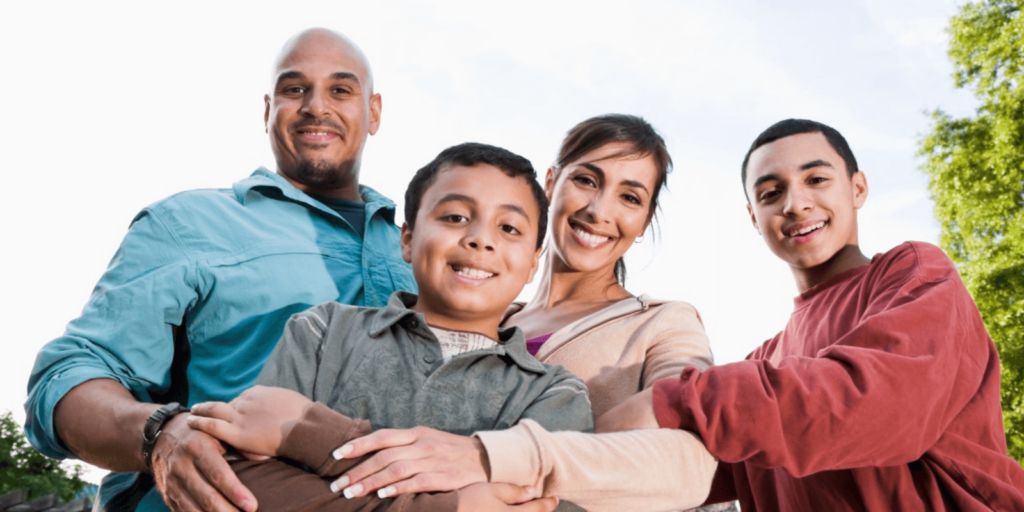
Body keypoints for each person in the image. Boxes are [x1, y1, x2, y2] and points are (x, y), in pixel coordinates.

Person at [24, 28, 414, 512]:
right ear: (267, 110)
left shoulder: (429, 253)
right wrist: (161, 434)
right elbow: (66, 377)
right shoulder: (187, 223)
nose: (317, 106)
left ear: (373, 112)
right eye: (294, 89)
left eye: (341, 89)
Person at [308, 115, 721, 511]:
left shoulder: (664, 323)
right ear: (551, 182)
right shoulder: (477, 315)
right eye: (585, 180)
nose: (599, 210)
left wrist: (490, 457)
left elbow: (690, 466)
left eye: (630, 198)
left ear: (644, 222)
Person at [610, 118, 1024, 510]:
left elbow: (883, 407)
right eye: (771, 193)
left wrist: (679, 399)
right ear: (755, 218)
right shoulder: (764, 362)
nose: (795, 204)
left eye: (817, 180)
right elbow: (687, 471)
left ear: (857, 188)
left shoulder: (913, 273)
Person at [187, 142, 594, 512]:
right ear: (407, 239)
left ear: (533, 264)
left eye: (509, 228)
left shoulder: (553, 394)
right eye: (455, 216)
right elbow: (245, 488)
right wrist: (445, 507)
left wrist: (310, 436)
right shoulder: (323, 331)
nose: (479, 239)